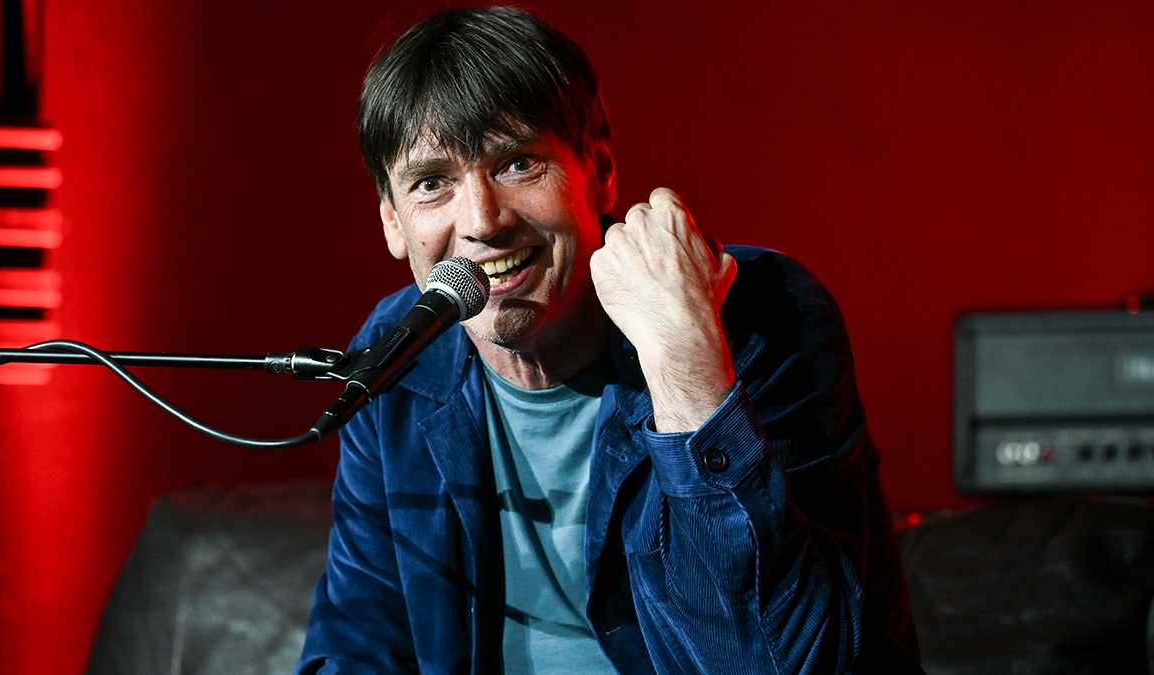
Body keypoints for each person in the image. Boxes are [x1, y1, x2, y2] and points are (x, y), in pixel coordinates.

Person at [296, 6, 920, 674]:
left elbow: (780, 659)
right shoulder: (397, 356)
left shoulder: (762, 315)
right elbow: (357, 642)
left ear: (599, 168)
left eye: (518, 163)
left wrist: (687, 364)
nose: (481, 221)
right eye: (432, 184)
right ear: (394, 221)